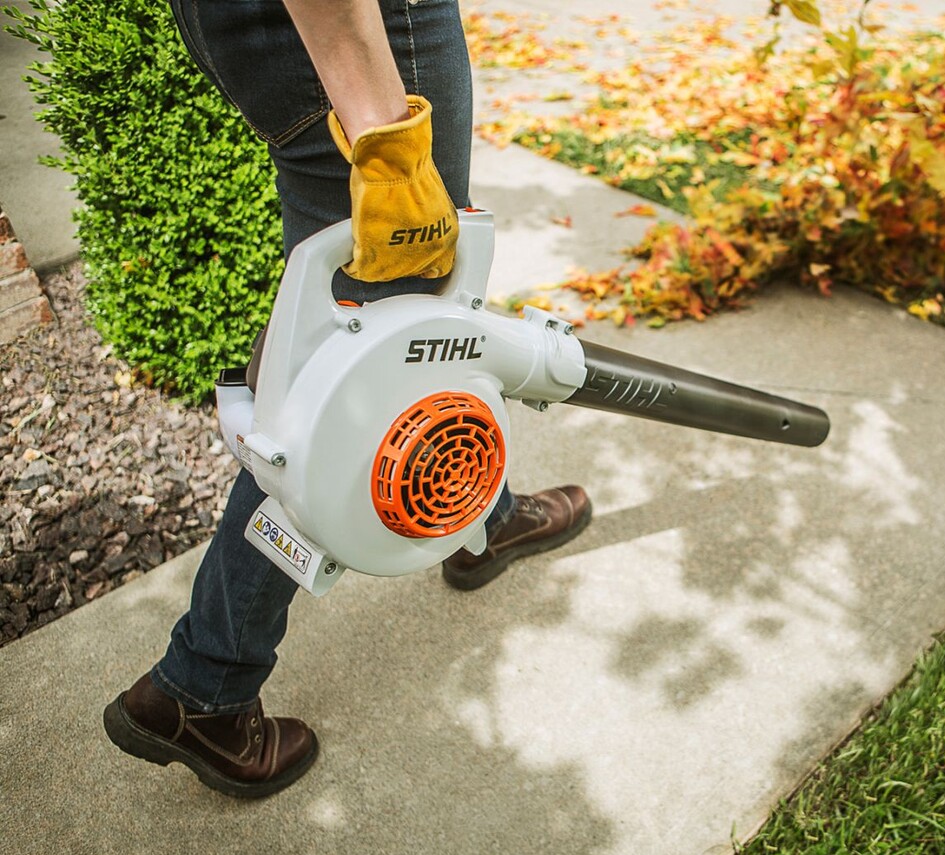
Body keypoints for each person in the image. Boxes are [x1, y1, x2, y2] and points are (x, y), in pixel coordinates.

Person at [100, 0, 592, 798]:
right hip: (360, 24)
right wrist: (383, 142)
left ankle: (482, 517)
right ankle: (204, 686)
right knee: (352, 377)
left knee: (416, 319)